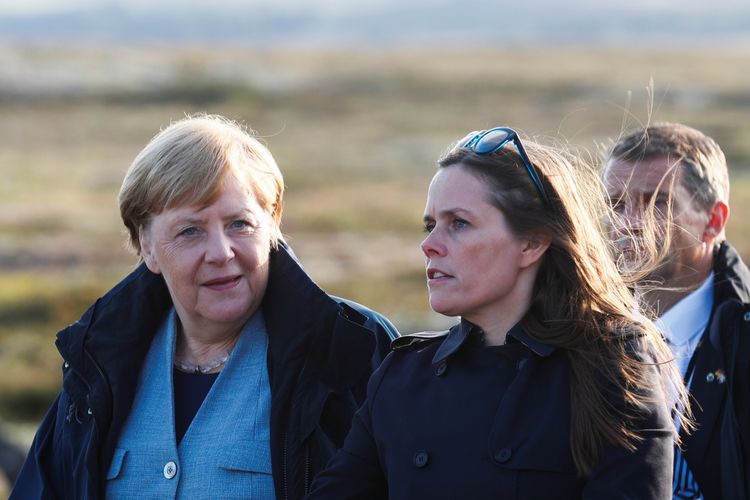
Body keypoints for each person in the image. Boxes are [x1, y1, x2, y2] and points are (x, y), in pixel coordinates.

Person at [11, 114, 398, 499]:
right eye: (190, 231)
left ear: (273, 223)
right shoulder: (95, 366)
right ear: (146, 246)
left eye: (239, 224)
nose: (220, 252)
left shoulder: (355, 349)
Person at [308, 127, 687, 499]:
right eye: (430, 225)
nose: (429, 244)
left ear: (532, 242)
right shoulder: (402, 376)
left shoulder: (612, 364)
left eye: (459, 223)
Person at [603, 122, 750, 500]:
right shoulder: (575, 330)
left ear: (713, 221)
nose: (629, 224)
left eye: (657, 202)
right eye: (616, 204)